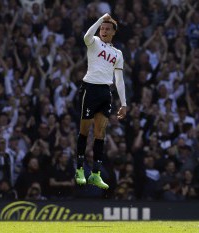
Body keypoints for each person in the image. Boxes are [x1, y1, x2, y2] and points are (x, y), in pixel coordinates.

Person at [75, 13, 127, 190]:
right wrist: (99, 19)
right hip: (90, 88)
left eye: (107, 29)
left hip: (106, 91)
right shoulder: (94, 42)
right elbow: (86, 36)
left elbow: (119, 79)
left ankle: (95, 174)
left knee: (100, 134)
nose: (103, 31)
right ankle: (80, 170)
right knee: (84, 131)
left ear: (113, 32)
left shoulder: (117, 53)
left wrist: (124, 103)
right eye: (102, 28)